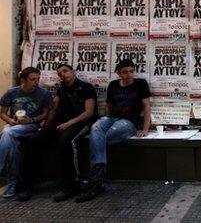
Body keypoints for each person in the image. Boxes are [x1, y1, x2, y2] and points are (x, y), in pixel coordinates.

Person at [17, 64, 98, 202]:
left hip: (82, 122)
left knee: (66, 141)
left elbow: (89, 113)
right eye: (60, 73)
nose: (63, 75)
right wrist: (46, 127)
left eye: (65, 71)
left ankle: (73, 184)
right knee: (34, 140)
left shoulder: (86, 88)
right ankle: (27, 184)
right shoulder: (61, 89)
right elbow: (54, 109)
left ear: (73, 71)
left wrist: (68, 124)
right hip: (62, 122)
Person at [75, 59, 151, 202]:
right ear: (118, 73)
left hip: (129, 123)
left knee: (98, 138)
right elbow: (109, 106)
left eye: (131, 71)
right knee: (96, 127)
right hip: (112, 119)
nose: (129, 75)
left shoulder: (140, 84)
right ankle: (97, 182)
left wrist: (145, 128)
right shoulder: (113, 85)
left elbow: (146, 106)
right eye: (125, 72)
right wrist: (105, 119)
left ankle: (95, 181)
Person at [0, 67, 53, 198]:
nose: (36, 82)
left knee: (7, 133)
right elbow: (2, 113)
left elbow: (46, 114)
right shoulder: (12, 93)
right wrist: (10, 120)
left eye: (38, 79)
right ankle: (13, 183)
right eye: (33, 79)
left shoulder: (44, 94)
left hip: (30, 126)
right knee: (13, 145)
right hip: (13, 125)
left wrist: (32, 119)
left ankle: (0, 168)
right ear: (23, 79)